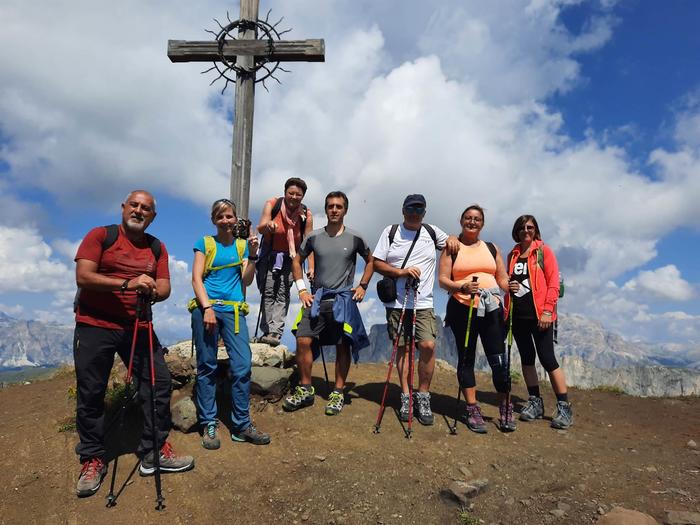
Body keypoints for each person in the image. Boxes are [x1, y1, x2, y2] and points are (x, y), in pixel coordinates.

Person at [73, 190, 194, 498]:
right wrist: (128, 283)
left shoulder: (156, 247)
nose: (139, 211)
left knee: (158, 383)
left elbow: (165, 287)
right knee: (91, 390)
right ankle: (92, 457)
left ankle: (154, 450)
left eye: (146, 209)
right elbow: (84, 277)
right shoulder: (100, 236)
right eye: (135, 205)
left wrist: (152, 289)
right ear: (123, 208)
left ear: (152, 216)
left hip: (138, 325)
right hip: (94, 324)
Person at [282, 191, 373, 416]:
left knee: (343, 344)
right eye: (330, 206)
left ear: (345, 210)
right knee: (303, 339)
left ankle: (338, 391)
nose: (334, 210)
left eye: (338, 206)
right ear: (326, 209)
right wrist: (302, 290)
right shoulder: (313, 237)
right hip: (317, 298)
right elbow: (297, 261)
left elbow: (371, 261)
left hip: (343, 299)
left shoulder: (356, 237)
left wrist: (363, 285)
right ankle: (305, 389)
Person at [190, 199, 271, 449]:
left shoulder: (242, 246)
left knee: (242, 365)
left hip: (235, 312)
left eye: (229, 216)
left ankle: (241, 425)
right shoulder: (205, 243)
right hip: (208, 309)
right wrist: (207, 308)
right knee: (207, 365)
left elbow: (246, 281)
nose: (225, 220)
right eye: (220, 217)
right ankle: (208, 423)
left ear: (236, 220)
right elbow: (196, 279)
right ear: (214, 220)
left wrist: (254, 254)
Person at [373, 194, 460, 426]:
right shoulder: (391, 232)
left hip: (423, 303)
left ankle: (423, 395)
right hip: (397, 303)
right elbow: (376, 263)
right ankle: (405, 395)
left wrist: (452, 237)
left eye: (419, 210)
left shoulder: (432, 232)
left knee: (428, 345)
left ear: (424, 212)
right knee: (402, 349)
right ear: (403, 210)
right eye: (410, 209)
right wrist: (401, 272)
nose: (414, 213)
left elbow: (452, 242)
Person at [438, 204, 515, 433]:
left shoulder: (492, 248)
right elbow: (442, 280)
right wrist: (461, 285)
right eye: (468, 218)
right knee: (466, 358)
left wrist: (508, 286)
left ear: (482, 223)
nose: (472, 222)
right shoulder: (452, 247)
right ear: (461, 221)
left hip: (491, 307)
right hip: (463, 307)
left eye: (477, 219)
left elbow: (501, 278)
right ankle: (472, 407)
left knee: (499, 360)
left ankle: (505, 404)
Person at [506, 214, 572, 429]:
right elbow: (509, 281)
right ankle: (535, 402)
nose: (526, 230)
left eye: (530, 227)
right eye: (522, 227)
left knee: (547, 359)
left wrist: (547, 311)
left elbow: (553, 282)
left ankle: (564, 406)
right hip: (518, 316)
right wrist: (509, 287)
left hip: (540, 316)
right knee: (526, 358)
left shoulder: (544, 251)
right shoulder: (513, 255)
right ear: (517, 230)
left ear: (535, 230)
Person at [255, 177, 314, 346]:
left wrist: (311, 266)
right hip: (269, 255)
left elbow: (308, 243)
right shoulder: (272, 204)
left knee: (282, 293)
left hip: (291, 258)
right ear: (284, 192)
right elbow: (261, 227)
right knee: (267, 291)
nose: (294, 197)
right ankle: (266, 329)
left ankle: (275, 333)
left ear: (303, 196)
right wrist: (269, 226)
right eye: (291, 193)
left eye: (298, 194)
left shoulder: (305, 215)